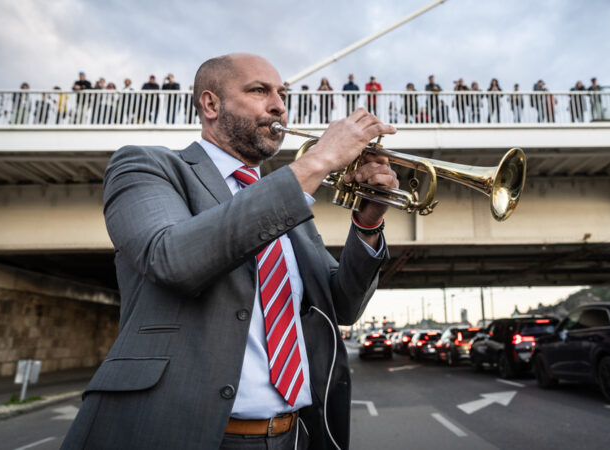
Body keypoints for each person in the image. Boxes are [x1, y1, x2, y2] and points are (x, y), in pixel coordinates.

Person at [61, 52, 396, 449]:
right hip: (181, 435)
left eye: (282, 94)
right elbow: (172, 259)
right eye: (259, 91)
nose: (279, 105)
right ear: (211, 104)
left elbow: (342, 307)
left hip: (292, 436)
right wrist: (319, 160)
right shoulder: (147, 166)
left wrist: (368, 223)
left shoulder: (289, 206)